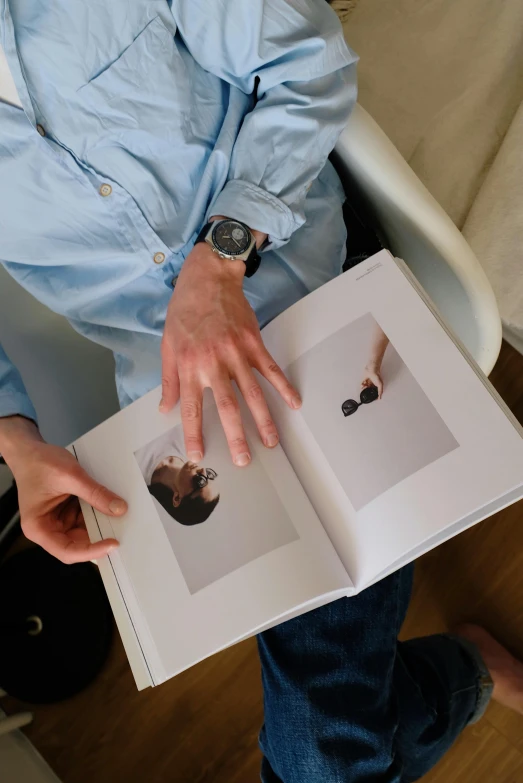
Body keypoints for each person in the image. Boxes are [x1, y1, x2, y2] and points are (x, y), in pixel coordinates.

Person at [1, 3, 522, 781]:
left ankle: (461, 677)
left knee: (322, 760)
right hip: (173, 402)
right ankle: (456, 678)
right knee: (323, 756)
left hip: (308, 290)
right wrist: (14, 440)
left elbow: (308, 65)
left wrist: (220, 258)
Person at [135, 428, 220, 526]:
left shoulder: (133, 472)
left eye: (200, 481)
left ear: (177, 498)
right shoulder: (195, 444)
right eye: (210, 475)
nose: (203, 470)